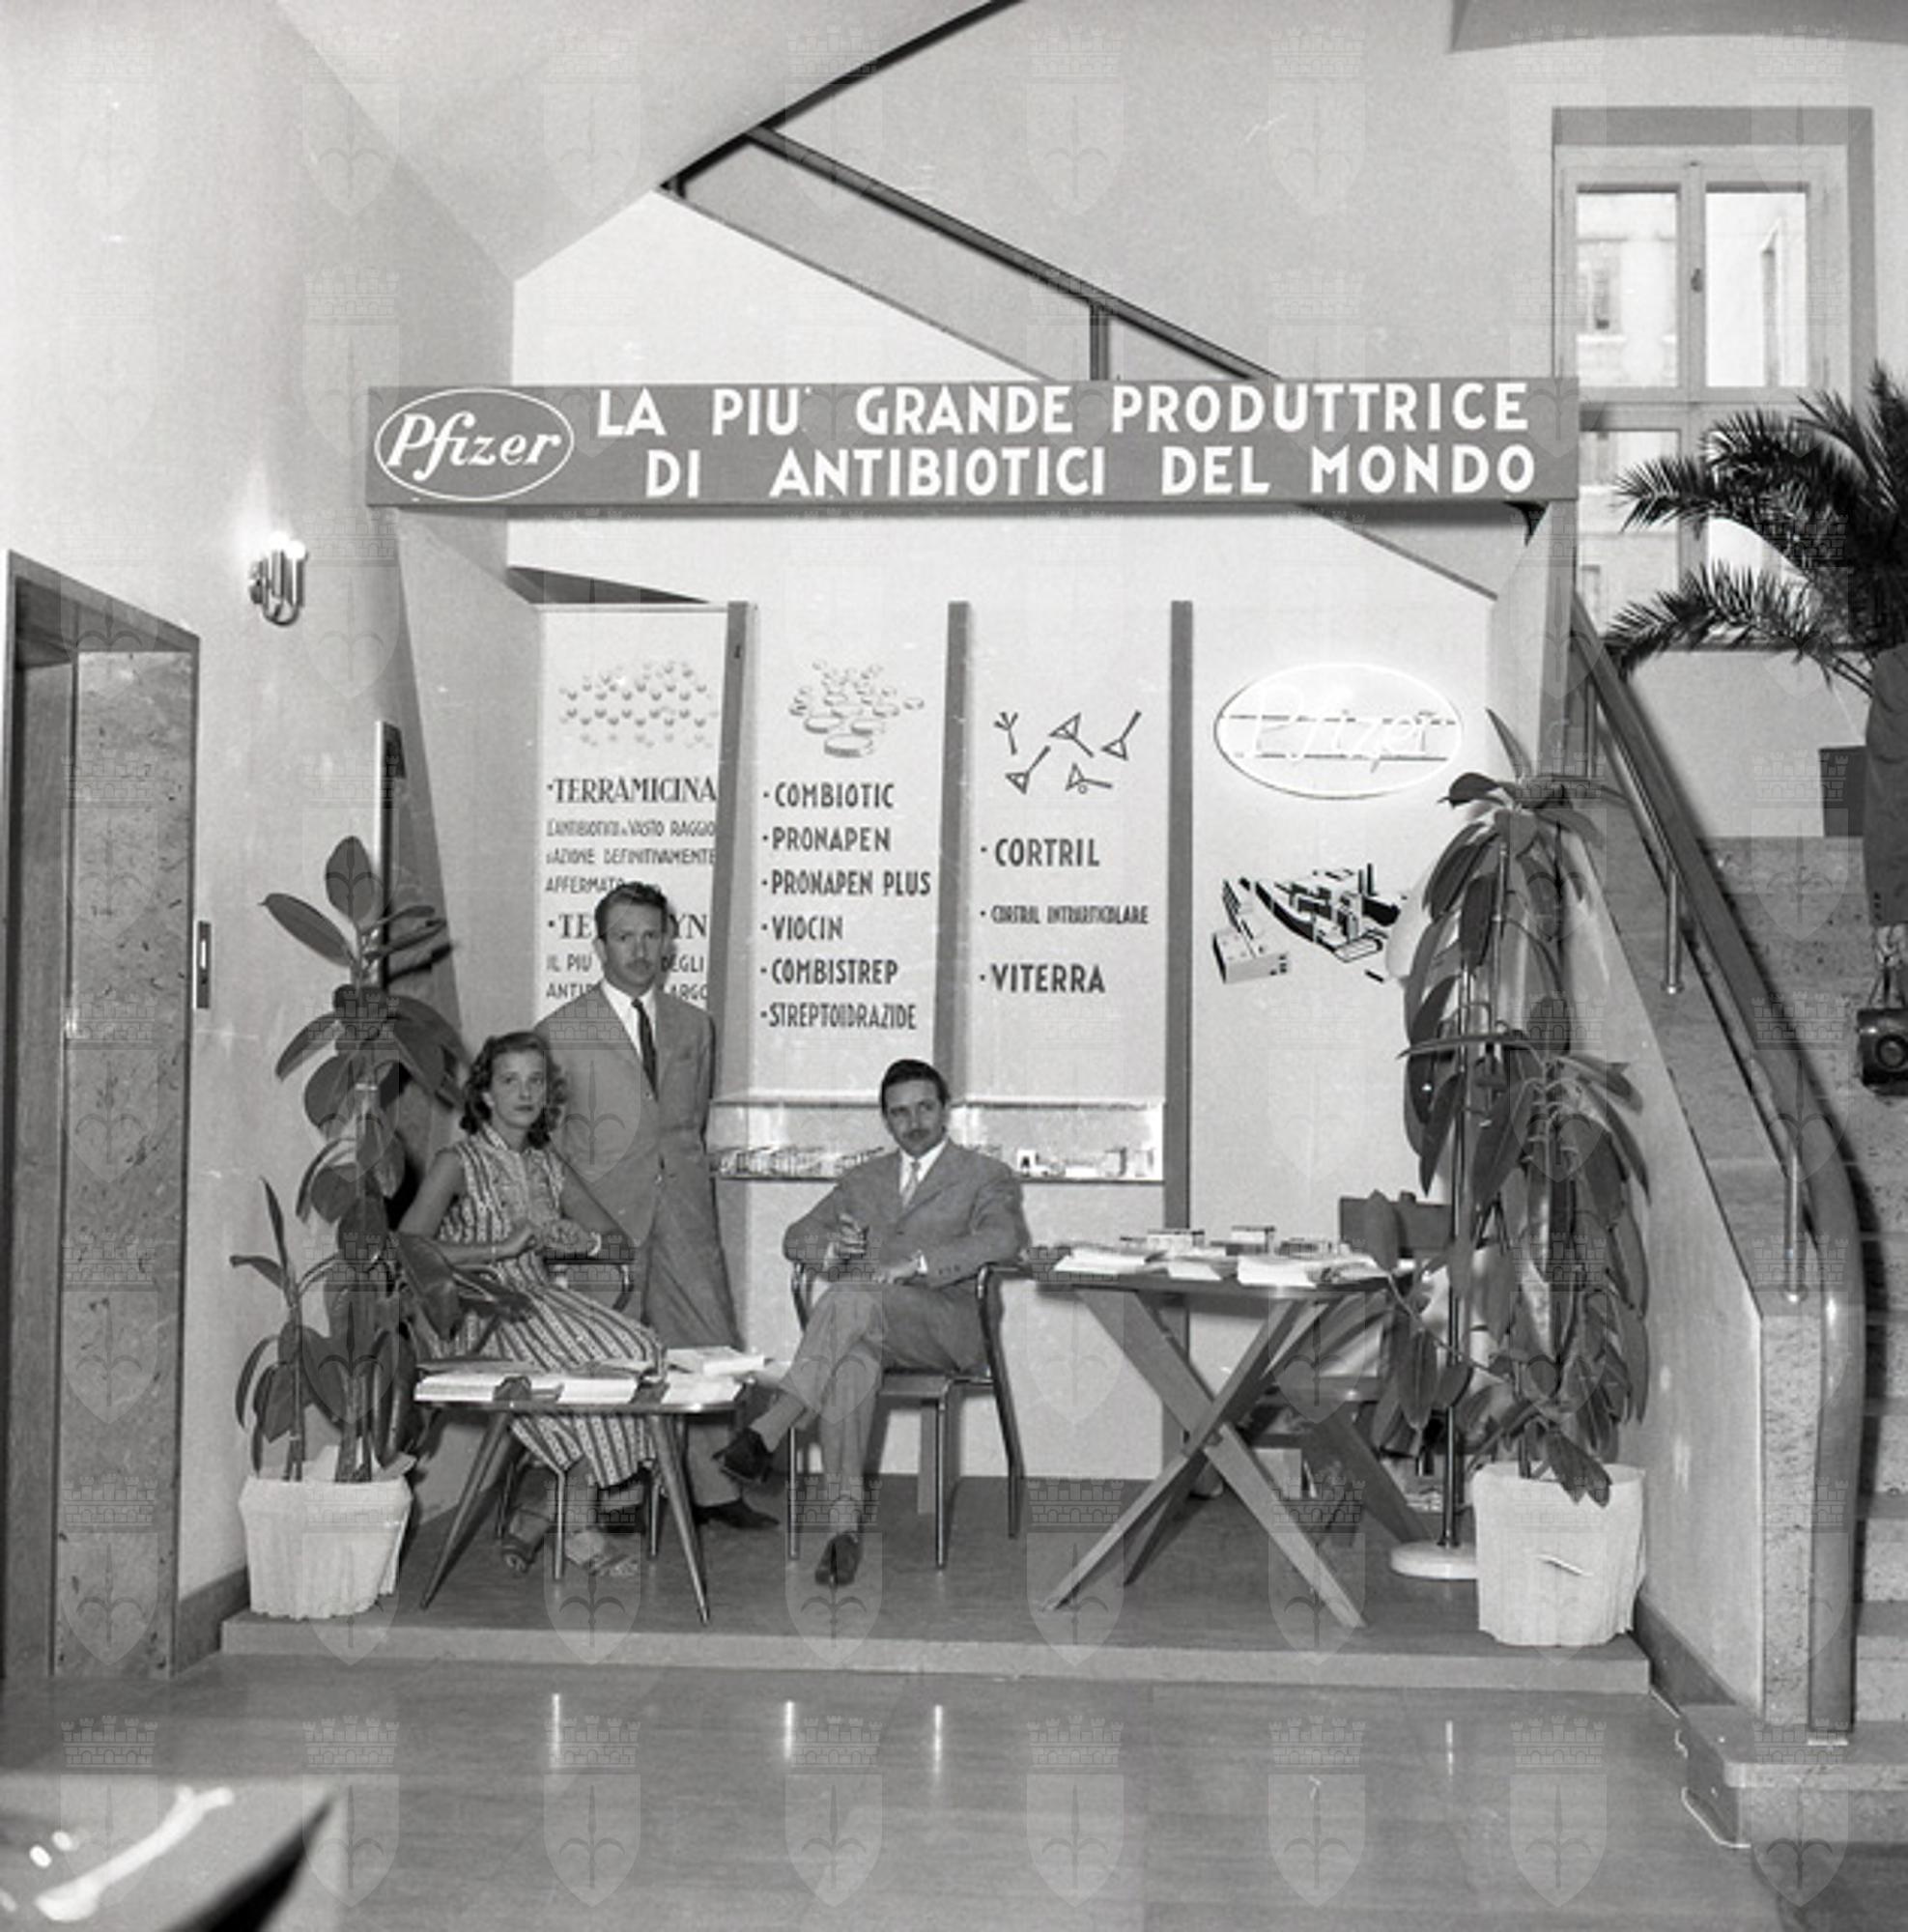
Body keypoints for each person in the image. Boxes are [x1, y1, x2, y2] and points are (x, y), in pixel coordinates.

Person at [719, 1058, 1029, 1585]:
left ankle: (769, 1427)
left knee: (852, 1296)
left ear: (945, 1110)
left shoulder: (984, 1175)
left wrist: (917, 1263)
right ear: (886, 1120)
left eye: (925, 1108)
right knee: (849, 1367)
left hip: (945, 1326)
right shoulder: (863, 1179)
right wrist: (832, 1250)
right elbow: (796, 1237)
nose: (914, 1123)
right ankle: (843, 1534)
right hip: (867, 1329)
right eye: (900, 1113)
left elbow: (1003, 1240)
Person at [538, 882, 773, 1530]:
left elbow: (688, 1122)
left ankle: (711, 1490)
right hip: (604, 1220)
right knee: (609, 1355)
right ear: (598, 946)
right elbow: (549, 1144)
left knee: (706, 1343)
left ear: (668, 943)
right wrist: (583, 1220)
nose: (640, 950)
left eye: (651, 936)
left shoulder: (694, 1025)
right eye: (624, 937)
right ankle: (619, 1490)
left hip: (684, 1212)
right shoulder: (559, 1031)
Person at [400, 1031, 664, 1577]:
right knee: (588, 1361)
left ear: (547, 1093)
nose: (524, 1093)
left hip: (536, 1301)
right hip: (474, 1310)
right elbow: (407, 1248)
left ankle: (543, 1510)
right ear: (486, 1094)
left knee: (639, 1349)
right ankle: (575, 1525)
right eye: (510, 1080)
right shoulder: (457, 1161)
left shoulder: (548, 1165)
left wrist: (581, 1240)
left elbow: (616, 1243)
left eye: (535, 1081)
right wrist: (499, 1248)